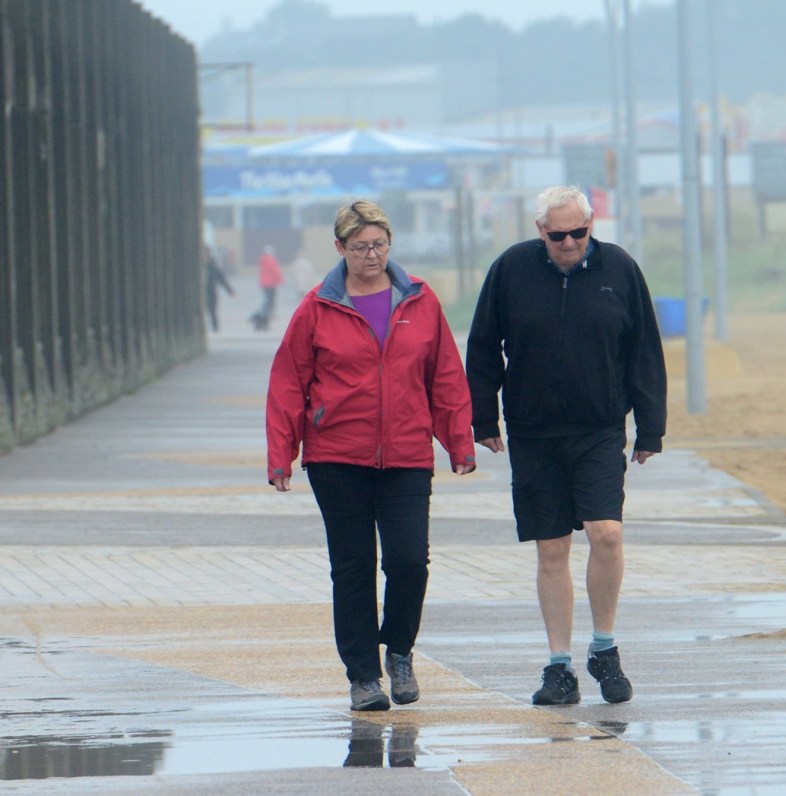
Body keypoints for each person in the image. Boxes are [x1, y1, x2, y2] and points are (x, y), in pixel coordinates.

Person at [265, 200, 476, 712]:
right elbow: (289, 382)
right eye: (359, 247)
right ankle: (363, 677)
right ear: (339, 249)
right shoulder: (316, 307)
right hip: (337, 456)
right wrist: (281, 454)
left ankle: (398, 650)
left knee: (409, 561)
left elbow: (444, 373)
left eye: (379, 244)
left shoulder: (420, 301)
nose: (371, 255)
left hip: (406, 452)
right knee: (354, 566)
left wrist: (458, 440)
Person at [466, 185, 666, 706]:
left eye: (579, 232)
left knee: (606, 535)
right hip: (533, 433)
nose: (570, 242)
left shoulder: (619, 270)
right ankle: (559, 666)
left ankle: (604, 648)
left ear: (591, 225)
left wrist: (650, 427)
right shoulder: (510, 270)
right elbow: (483, 346)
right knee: (552, 549)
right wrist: (481, 416)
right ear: (541, 233)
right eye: (559, 235)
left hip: (599, 428)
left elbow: (644, 348)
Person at [250, 244, 284, 330]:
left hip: (264, 284)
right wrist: (280, 280)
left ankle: (262, 318)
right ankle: (264, 319)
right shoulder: (270, 259)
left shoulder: (262, 260)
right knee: (270, 303)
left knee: (266, 301)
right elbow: (275, 271)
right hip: (271, 284)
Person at [203, 245, 235, 332]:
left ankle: (215, 329)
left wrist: (230, 290)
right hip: (201, 293)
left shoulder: (213, 266)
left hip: (211, 292)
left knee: (212, 311)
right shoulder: (199, 266)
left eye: (207, 253)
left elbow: (221, 279)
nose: (206, 255)